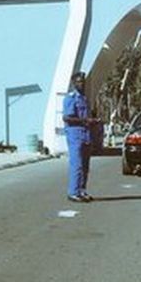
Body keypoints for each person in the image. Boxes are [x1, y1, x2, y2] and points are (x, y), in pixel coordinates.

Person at [63, 71, 99, 203]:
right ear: (73, 83)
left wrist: (93, 121)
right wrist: (85, 121)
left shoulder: (84, 99)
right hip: (75, 134)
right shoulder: (71, 98)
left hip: (86, 134)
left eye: (83, 82)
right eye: (78, 82)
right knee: (77, 164)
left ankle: (82, 190)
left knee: (85, 166)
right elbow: (67, 118)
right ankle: (73, 192)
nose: (81, 84)